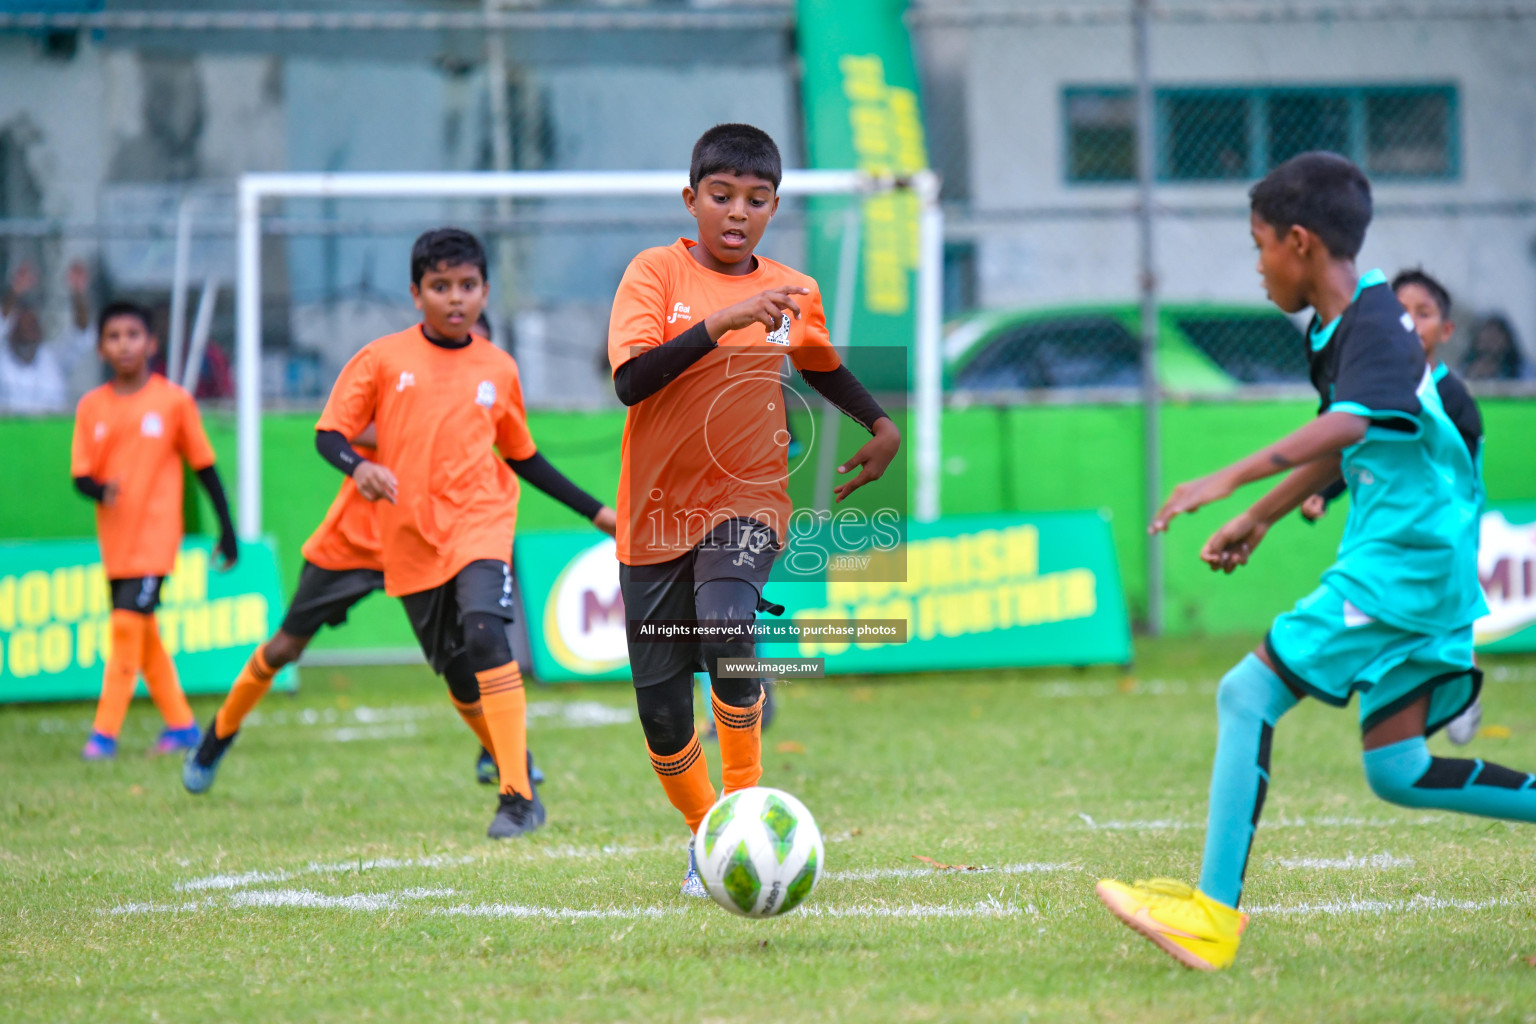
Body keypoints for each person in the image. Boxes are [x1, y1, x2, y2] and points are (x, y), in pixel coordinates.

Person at [1095, 152, 1533, 971]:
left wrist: (1228, 479)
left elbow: (1350, 426)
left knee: (1246, 691)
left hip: (1401, 568)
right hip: (1420, 569)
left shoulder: (1372, 322)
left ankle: (1210, 917)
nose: (1256, 264)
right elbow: (1357, 433)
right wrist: (1258, 516)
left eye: (1259, 244)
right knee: (1399, 769)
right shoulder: (1343, 328)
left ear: (1299, 242)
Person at [607, 124, 900, 895]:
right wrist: (724, 321)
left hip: (748, 497)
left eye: (757, 200)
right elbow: (632, 382)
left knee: (731, 628)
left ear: (774, 207)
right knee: (665, 720)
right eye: (722, 196)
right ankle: (712, 838)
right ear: (692, 199)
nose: (738, 213)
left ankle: (744, 806)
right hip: (654, 517)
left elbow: (819, 364)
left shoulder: (795, 288)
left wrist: (880, 423)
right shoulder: (654, 274)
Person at [302, 227, 613, 839]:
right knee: (456, 673)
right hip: (412, 539)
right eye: (440, 286)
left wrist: (596, 511)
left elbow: (523, 456)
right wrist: (359, 467)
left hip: (480, 523)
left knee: (485, 632)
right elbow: (329, 435)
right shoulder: (382, 359)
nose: (455, 298)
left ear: (484, 291)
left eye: (467, 286)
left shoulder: (498, 366)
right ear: (416, 293)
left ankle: (517, 798)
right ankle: (511, 759)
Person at [1300, 268, 1486, 746]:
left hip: (1444, 532)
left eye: (1423, 314)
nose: (1410, 322)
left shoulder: (1452, 398)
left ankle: (1462, 678)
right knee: (1397, 611)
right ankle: (1406, 703)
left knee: (1445, 613)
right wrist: (1324, 491)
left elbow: (1457, 472)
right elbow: (1359, 446)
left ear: (1445, 331)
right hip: (1390, 532)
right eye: (1402, 312)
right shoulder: (1378, 389)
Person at [71, 300, 240, 759]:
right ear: (101, 347)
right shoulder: (91, 407)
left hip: (156, 539)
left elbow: (205, 467)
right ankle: (183, 726)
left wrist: (227, 530)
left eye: (133, 334)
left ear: (151, 343)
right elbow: (80, 477)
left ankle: (104, 734)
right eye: (114, 336)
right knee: (144, 635)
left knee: (126, 627)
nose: (124, 344)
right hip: (116, 542)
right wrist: (100, 489)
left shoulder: (172, 401)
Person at [1, 261, 95, 413]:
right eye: (23, 323)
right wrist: (15, 291)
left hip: (51, 434)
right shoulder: (2, 358)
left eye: (33, 323)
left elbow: (81, 334)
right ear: (12, 328)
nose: (29, 328)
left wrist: (78, 294)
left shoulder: (54, 358)